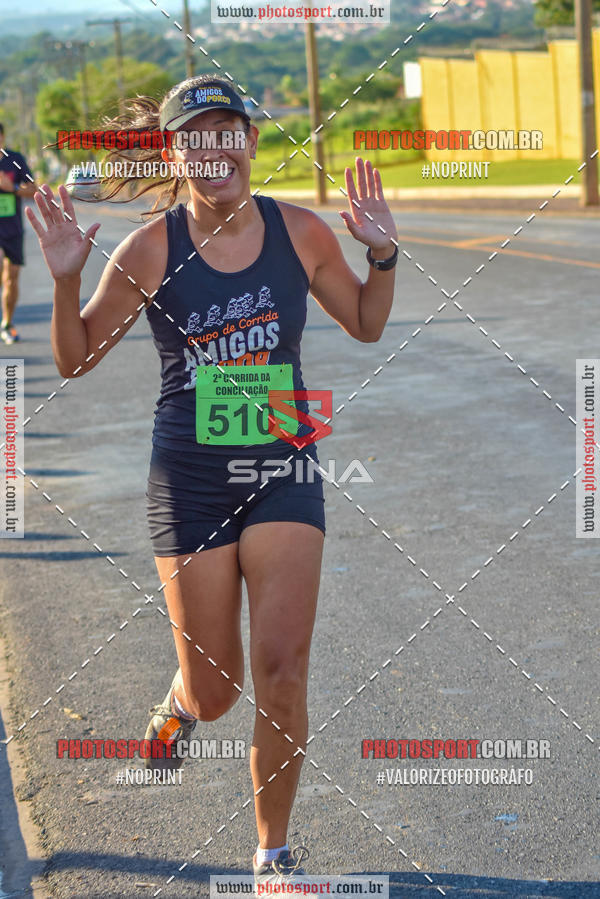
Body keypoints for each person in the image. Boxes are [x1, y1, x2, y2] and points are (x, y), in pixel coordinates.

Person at [26, 75, 398, 889]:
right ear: (175, 152)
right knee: (218, 687)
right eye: (195, 135)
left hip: (280, 459)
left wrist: (381, 251)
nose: (214, 147)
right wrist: (61, 276)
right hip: (189, 475)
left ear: (251, 143)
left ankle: (271, 856)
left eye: (228, 130)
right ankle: (181, 702)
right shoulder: (151, 249)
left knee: (282, 668)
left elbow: (368, 324)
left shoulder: (299, 232)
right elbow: (73, 358)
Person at [0, 123, 36, 344]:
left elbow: (33, 189)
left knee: (11, 278)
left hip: (12, 229)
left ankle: (7, 323)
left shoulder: (14, 159)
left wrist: (11, 188)